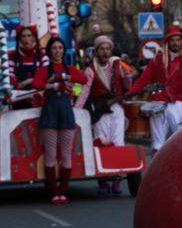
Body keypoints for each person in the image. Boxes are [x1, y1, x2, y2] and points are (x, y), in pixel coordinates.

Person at [30, 37, 88, 204]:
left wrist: (63, 76)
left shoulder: (69, 68)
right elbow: (35, 84)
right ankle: (53, 192)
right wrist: (56, 85)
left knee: (66, 155)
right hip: (49, 113)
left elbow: (84, 79)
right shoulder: (44, 69)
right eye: (54, 48)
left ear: (64, 51)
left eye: (60, 48)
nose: (57, 51)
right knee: (50, 155)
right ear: (49, 51)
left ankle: (63, 192)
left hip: (66, 114)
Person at [130, 25, 182, 152]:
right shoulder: (157, 60)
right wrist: (129, 94)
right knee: (157, 143)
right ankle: (156, 170)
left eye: (177, 40)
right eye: (172, 40)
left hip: (178, 104)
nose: (175, 43)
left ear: (181, 42)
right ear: (167, 42)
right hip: (158, 103)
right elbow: (143, 80)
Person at [81, 35, 130, 195]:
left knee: (118, 142)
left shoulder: (117, 66)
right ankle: (103, 181)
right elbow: (84, 92)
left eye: (108, 48)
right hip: (99, 112)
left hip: (116, 109)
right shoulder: (90, 70)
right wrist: (77, 111)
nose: (105, 52)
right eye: (102, 49)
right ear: (96, 51)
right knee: (102, 144)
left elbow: (126, 85)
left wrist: (127, 77)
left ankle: (116, 180)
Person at [9, 25, 45, 97]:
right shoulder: (13, 55)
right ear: (19, 38)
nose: (26, 39)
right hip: (19, 94)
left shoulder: (41, 55)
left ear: (33, 38)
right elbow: (9, 74)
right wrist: (17, 85)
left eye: (29, 36)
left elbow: (46, 74)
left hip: (37, 94)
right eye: (23, 36)